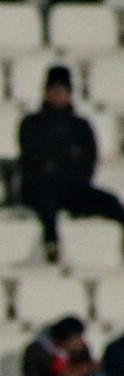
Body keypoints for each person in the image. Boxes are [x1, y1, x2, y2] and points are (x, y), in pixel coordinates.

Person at [19, 65, 124, 261]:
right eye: (54, 91)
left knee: (111, 202)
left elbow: (87, 162)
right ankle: (51, 244)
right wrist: (64, 160)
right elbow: (32, 160)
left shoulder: (80, 126)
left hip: (72, 188)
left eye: (62, 91)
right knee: (46, 203)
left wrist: (58, 163)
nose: (58, 96)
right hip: (40, 188)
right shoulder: (31, 123)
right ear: (46, 92)